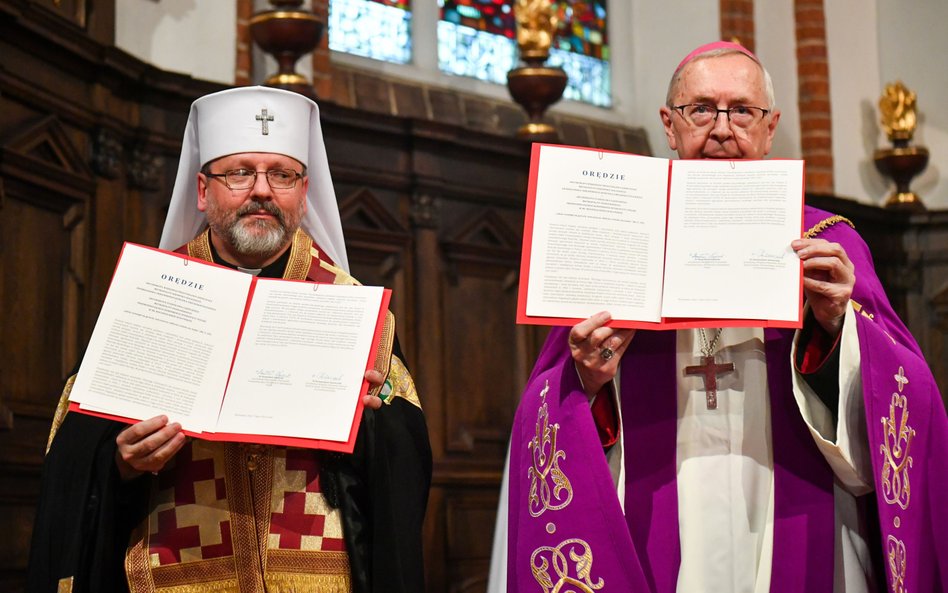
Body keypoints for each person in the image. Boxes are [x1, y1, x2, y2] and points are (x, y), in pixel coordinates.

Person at [501, 42, 948, 593]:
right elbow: (544, 406)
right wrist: (588, 380)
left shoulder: (828, 244)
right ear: (669, 124)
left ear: (770, 127)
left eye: (742, 110)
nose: (721, 127)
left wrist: (836, 329)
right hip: (656, 515)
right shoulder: (618, 241)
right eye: (701, 109)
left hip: (803, 520)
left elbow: (913, 395)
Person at [27, 86, 432, 593]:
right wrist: (120, 463)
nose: (261, 190)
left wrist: (371, 418)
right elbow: (74, 457)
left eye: (281, 174)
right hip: (176, 572)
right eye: (239, 172)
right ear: (202, 191)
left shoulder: (348, 306)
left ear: (303, 194)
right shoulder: (150, 295)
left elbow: (405, 465)